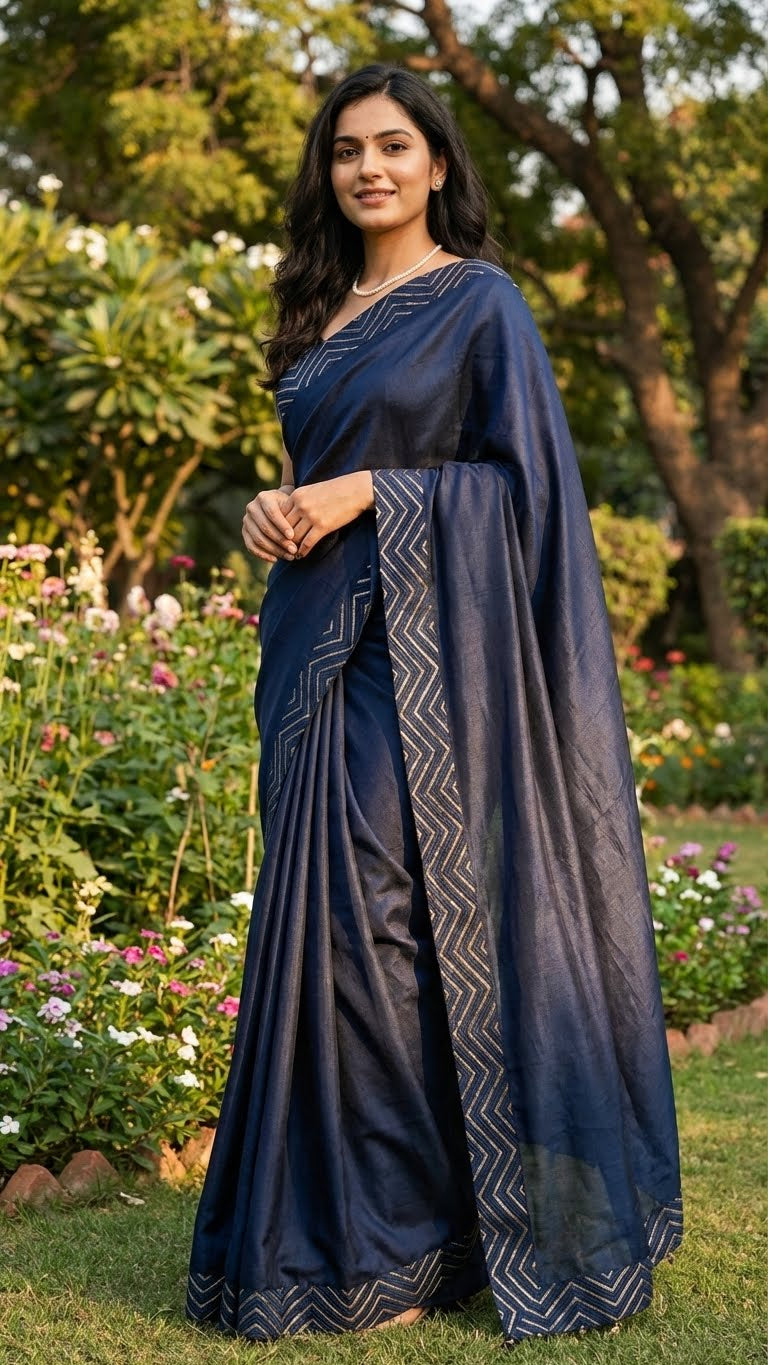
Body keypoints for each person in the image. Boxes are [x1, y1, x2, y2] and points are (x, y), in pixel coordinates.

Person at [186, 63, 682, 1347]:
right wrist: (277, 503)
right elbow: (311, 477)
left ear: (440, 165)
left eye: (395, 146)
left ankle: (409, 1239)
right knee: (329, 939)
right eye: (348, 150)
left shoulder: (484, 307)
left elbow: (525, 500)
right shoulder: (313, 314)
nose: (370, 170)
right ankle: (371, 1232)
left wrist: (369, 495)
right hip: (317, 659)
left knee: (381, 938)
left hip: (431, 684)